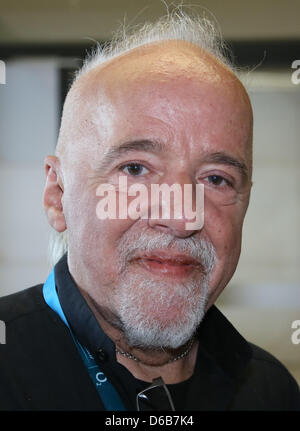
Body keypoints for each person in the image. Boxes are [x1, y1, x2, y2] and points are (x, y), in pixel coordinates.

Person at [0, 10, 299, 411]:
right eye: (136, 169)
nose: (181, 218)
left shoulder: (271, 391)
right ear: (58, 195)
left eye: (216, 179)